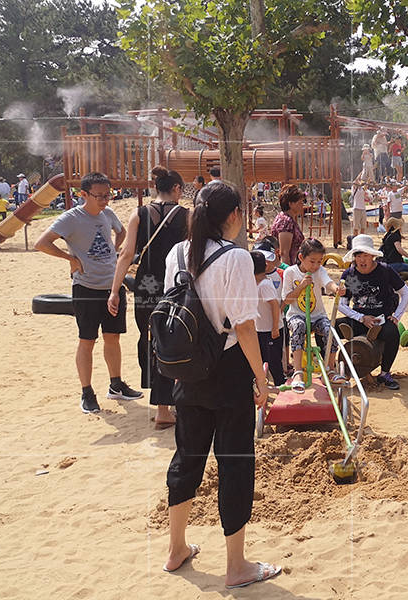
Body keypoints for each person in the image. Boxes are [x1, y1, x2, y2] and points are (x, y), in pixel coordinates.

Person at [159, 180, 279, 589]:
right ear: (232, 216)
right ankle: (237, 566)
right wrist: (262, 381)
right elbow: (244, 327)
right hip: (227, 371)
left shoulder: (178, 251)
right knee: (235, 464)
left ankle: (176, 548)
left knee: (187, 458)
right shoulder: (238, 258)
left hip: (187, 370)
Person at [35, 172, 141, 413]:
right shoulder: (71, 218)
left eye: (108, 195)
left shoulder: (108, 214)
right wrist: (69, 258)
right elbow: (42, 243)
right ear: (83, 194)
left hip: (113, 286)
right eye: (99, 196)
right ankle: (87, 392)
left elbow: (121, 232)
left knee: (113, 337)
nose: (105, 200)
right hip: (86, 288)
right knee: (87, 340)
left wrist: (114, 252)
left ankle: (116, 385)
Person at [108, 166, 189, 428]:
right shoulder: (187, 215)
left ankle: (162, 406)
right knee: (176, 340)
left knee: (151, 339)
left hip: (146, 286)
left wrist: (114, 290)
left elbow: (125, 254)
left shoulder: (138, 214)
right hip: (175, 286)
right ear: (176, 189)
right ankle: (171, 405)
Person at [337, 234, 408, 390]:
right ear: (354, 257)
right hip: (359, 319)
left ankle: (385, 373)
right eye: (359, 256)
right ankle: (332, 370)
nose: (362, 260)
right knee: (329, 328)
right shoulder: (350, 275)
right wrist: (361, 317)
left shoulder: (384, 271)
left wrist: (396, 316)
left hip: (380, 320)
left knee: (392, 333)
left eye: (366, 255)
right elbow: (341, 304)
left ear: (372, 256)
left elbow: (405, 292)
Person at [282, 239, 345, 391]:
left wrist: (336, 288)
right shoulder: (290, 272)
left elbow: (327, 282)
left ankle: (329, 369)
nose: (316, 266)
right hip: (296, 314)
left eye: (319, 261)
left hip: (317, 315)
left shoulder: (320, 271)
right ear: (301, 257)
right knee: (299, 326)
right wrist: (302, 285)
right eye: (312, 261)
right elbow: (287, 299)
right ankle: (298, 372)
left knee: (330, 331)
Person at [251, 251, 284, 386]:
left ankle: (280, 385)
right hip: (260, 329)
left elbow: (275, 306)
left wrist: (275, 327)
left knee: (274, 362)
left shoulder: (265, 285)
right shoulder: (255, 283)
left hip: (270, 330)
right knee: (261, 360)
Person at [270, 185, 306, 266]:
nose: (302, 205)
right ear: (291, 204)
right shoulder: (286, 222)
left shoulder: (287, 219)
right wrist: (288, 274)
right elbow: (284, 253)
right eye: (300, 202)